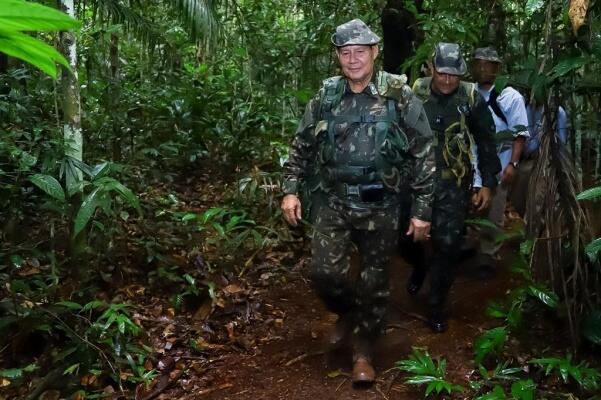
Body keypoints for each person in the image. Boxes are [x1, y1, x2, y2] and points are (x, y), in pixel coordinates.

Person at [280, 19, 434, 384]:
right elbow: (301, 145)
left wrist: (422, 211)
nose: (352, 60)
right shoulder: (327, 96)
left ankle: (363, 352)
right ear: (338, 57)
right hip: (334, 200)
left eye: (360, 52)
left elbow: (425, 152)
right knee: (324, 272)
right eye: (345, 53)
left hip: (382, 204)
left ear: (375, 53)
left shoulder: (398, 94)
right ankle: (349, 313)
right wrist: (289, 189)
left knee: (374, 280)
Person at [401, 43, 501, 333]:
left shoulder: (470, 97)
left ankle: (436, 305)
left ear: (461, 74)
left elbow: (486, 141)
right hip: (415, 182)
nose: (446, 80)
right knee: (403, 237)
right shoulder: (415, 92)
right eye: (442, 73)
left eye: (453, 75)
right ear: (432, 68)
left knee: (448, 245)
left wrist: (487, 184)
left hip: (452, 183)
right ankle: (419, 264)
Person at [471, 47, 529, 268]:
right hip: (470, 164)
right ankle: (464, 245)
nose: (483, 68)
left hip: (499, 164)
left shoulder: (510, 96)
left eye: (488, 64)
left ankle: (488, 254)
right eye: (479, 63)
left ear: (497, 68)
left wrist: (513, 164)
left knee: (493, 210)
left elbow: (520, 133)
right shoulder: (468, 92)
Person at [510, 99, 569, 216]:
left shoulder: (558, 112)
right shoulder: (526, 108)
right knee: (518, 190)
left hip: (548, 160)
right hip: (528, 160)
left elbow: (561, 143)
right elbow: (524, 143)